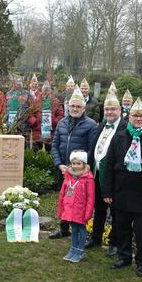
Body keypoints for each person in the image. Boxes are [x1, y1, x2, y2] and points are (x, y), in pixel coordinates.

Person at [103, 98, 142, 276]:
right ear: (129, 116)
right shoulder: (120, 137)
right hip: (121, 192)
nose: (137, 119)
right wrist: (107, 190)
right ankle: (124, 256)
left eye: (141, 116)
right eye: (134, 115)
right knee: (122, 227)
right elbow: (109, 164)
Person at [49, 86, 98, 239]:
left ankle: (77, 230)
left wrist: (80, 169)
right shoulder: (62, 123)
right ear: (68, 106)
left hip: (79, 172)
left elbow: (92, 150)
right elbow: (55, 145)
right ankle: (63, 229)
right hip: (64, 169)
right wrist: (59, 165)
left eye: (78, 106)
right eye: (73, 106)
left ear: (84, 108)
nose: (75, 108)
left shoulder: (90, 125)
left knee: (78, 202)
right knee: (64, 199)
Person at [85, 91, 126, 255]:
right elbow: (94, 146)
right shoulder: (101, 125)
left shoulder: (125, 127)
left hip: (114, 178)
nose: (109, 112)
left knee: (115, 211)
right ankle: (96, 237)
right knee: (99, 208)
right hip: (96, 174)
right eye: (107, 109)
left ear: (120, 111)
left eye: (113, 109)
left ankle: (114, 242)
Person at [57, 150, 95, 263]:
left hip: (81, 210)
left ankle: (80, 251)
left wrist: (88, 213)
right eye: (73, 163)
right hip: (69, 209)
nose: (75, 166)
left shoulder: (88, 178)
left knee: (81, 230)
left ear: (84, 164)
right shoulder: (68, 176)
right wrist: (61, 209)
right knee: (73, 229)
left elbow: (90, 197)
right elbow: (62, 194)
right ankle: (73, 249)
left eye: (79, 163)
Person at [28, 80, 64, 150]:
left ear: (50, 90)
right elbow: (30, 114)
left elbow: (60, 115)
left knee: (50, 152)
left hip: (51, 131)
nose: (46, 92)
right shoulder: (35, 101)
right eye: (44, 89)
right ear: (42, 90)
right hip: (37, 131)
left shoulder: (56, 102)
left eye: (48, 90)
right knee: (36, 152)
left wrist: (54, 121)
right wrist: (34, 121)